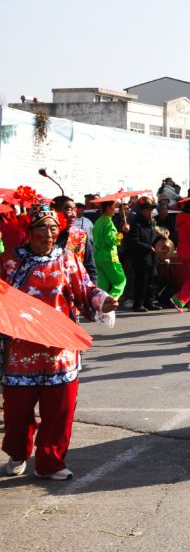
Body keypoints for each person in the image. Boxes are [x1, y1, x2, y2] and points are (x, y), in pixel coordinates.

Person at [2, 204, 116, 480]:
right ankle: (18, 453)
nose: (49, 233)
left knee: (59, 412)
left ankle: (50, 462)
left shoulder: (67, 258)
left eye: (53, 228)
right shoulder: (11, 261)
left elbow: (85, 288)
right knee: (17, 413)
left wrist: (102, 300)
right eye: (42, 227)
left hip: (61, 350)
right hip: (21, 350)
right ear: (29, 231)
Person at [125, 198, 163, 312]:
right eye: (148, 209)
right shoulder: (135, 223)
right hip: (141, 257)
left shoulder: (151, 223)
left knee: (152, 281)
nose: (151, 211)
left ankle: (149, 302)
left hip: (151, 257)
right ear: (142, 210)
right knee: (142, 282)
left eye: (151, 209)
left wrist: (161, 237)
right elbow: (134, 241)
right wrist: (148, 247)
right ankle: (138, 304)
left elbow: (153, 238)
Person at [51, 196, 97, 282]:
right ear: (54, 211)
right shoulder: (46, 236)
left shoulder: (80, 236)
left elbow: (90, 268)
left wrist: (93, 287)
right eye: (69, 210)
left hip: (77, 287)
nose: (74, 215)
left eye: (74, 210)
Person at [92, 198, 126, 302]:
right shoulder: (108, 222)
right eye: (113, 206)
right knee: (120, 281)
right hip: (109, 257)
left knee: (102, 285)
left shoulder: (98, 221)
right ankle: (110, 302)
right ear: (108, 207)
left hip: (98, 257)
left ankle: (99, 303)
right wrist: (122, 233)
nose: (115, 209)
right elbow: (111, 241)